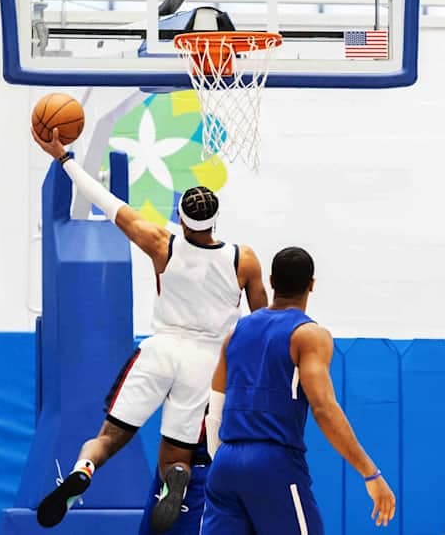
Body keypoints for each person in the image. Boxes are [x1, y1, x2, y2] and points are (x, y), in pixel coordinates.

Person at [31, 128, 268, 531]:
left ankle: (83, 470)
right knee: (177, 455)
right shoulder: (242, 259)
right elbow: (262, 322)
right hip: (207, 364)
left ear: (181, 217)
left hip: (160, 351)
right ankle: (173, 481)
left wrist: (65, 158)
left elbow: (111, 204)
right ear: (214, 220)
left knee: (109, 435)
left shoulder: (162, 243)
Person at [202, 247, 396, 534]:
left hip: (224, 466)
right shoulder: (309, 335)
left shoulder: (236, 333)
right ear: (312, 284)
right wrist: (370, 473)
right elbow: (323, 408)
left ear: (270, 281)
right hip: (272, 463)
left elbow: (215, 407)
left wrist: (224, 460)